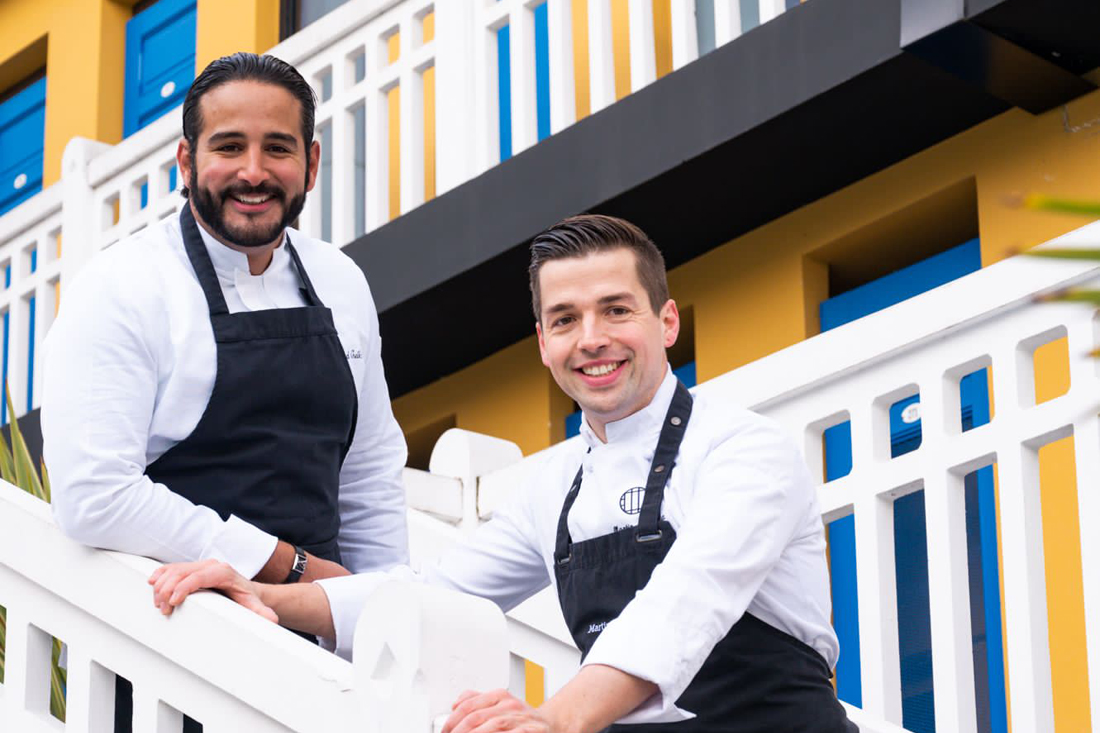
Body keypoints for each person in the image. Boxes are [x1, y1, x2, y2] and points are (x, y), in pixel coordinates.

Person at [150, 215, 855, 732]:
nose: (593, 339)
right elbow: (429, 591)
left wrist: (554, 718)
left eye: (617, 310)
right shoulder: (552, 489)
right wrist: (268, 596)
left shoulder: (745, 450)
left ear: (666, 321)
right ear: (543, 343)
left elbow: (685, 604)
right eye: (566, 318)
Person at [41, 53, 408, 731]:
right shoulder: (123, 285)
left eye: (278, 148)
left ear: (313, 162)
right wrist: (288, 565)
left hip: (322, 659)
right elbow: (94, 494)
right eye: (228, 146)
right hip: (171, 648)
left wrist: (386, 621)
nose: (253, 172)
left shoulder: (342, 280)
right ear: (186, 159)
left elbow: (370, 474)